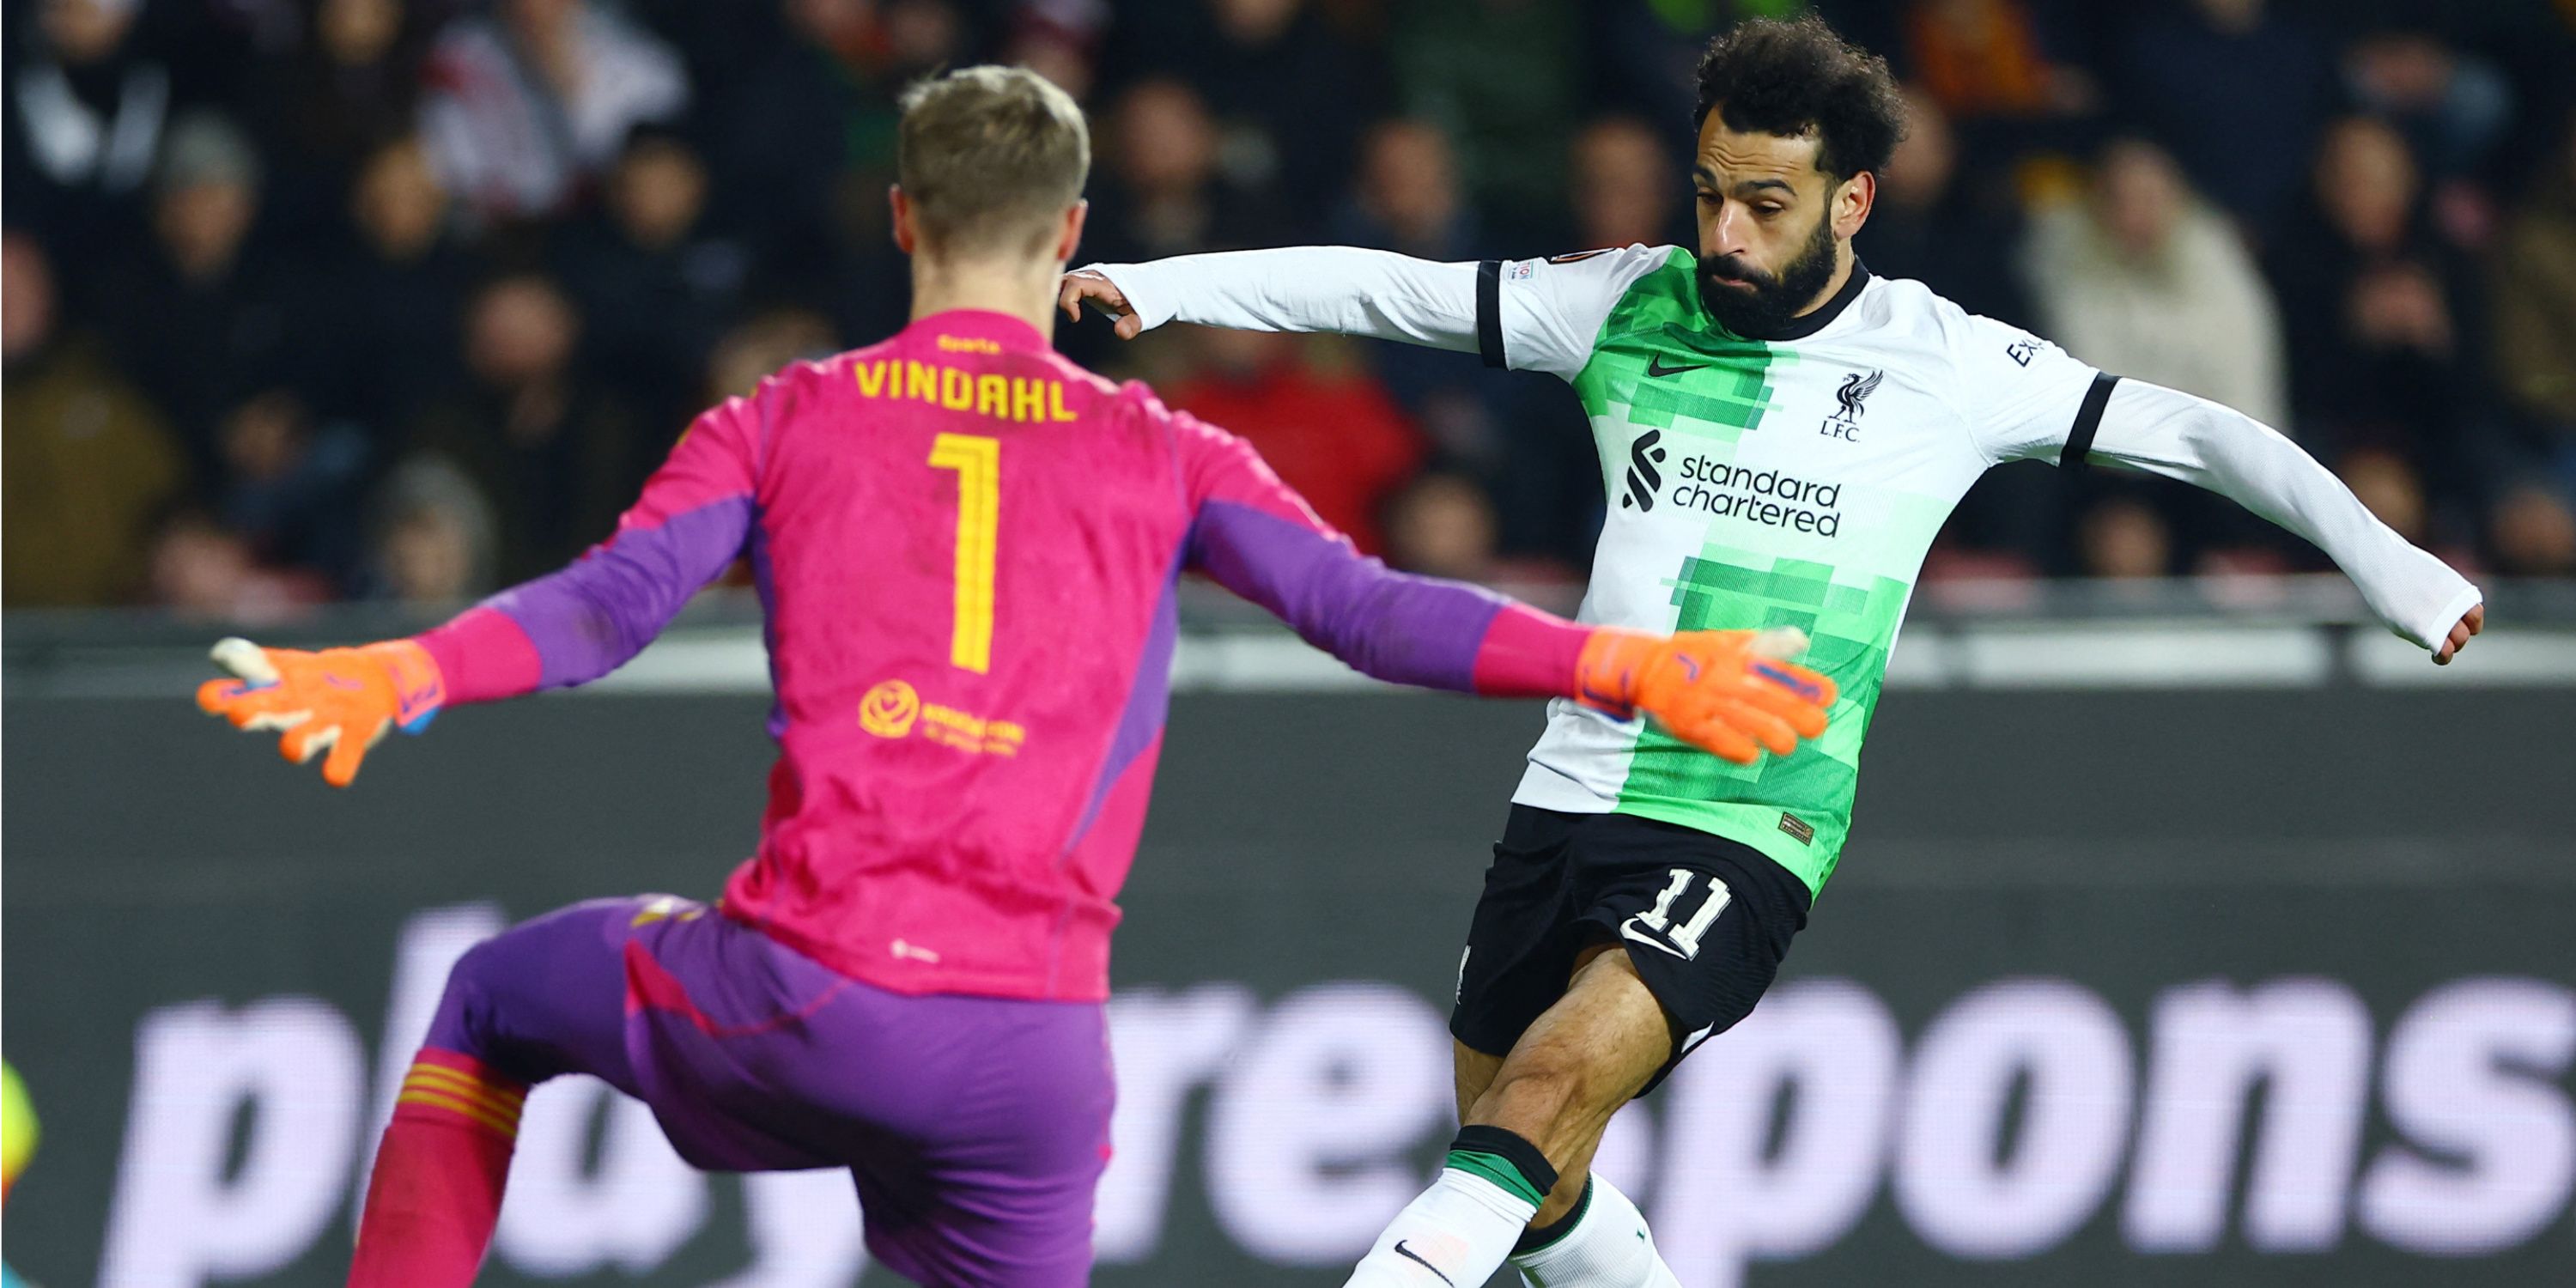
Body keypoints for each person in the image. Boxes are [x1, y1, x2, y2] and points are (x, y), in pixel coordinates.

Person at [191, 66, 1835, 1288]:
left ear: (903, 217)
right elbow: (1367, 610)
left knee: (492, 1003)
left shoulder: (783, 417)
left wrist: (404, 668)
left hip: (805, 992)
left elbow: (605, 611)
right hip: (1028, 1066)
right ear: (1070, 235)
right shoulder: (1162, 447)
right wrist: (1618, 662)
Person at [1060, 16, 2488, 1288]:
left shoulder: (1946, 362)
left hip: (1753, 805)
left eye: (1764, 204)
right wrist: (1168, 283)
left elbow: (2198, 431)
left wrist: (2389, 562)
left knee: (1549, 1087)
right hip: (1573, 783)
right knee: (1529, 1171)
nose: (1726, 235)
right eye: (1710, 195)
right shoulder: (1623, 301)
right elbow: (1393, 291)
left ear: (1850, 199)